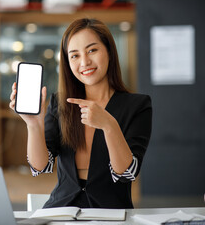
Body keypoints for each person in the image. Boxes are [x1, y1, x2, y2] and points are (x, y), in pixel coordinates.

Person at [9, 18, 152, 209]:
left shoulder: (137, 105)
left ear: (109, 51)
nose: (84, 62)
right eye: (74, 56)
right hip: (61, 210)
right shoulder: (60, 103)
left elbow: (127, 173)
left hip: (111, 214)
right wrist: (33, 125)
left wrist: (109, 126)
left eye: (92, 50)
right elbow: (40, 167)